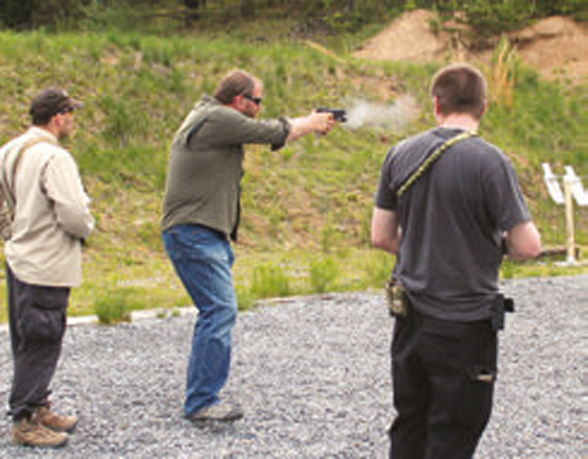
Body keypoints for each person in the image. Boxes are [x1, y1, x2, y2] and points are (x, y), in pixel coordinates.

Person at [370, 63, 541, 458]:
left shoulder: (399, 154)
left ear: (436, 104)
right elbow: (528, 246)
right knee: (455, 430)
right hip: (466, 322)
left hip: (409, 316)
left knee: (410, 420)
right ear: (484, 105)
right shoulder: (490, 162)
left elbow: (381, 236)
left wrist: (427, 247)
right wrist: (478, 247)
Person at [161, 69, 336, 422]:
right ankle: (201, 401)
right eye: (256, 101)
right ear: (239, 100)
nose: (259, 107)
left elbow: (276, 136)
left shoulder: (211, 116)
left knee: (217, 311)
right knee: (220, 310)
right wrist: (312, 122)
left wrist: (307, 125)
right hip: (195, 233)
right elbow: (273, 131)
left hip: (202, 233)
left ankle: (202, 395)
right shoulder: (217, 116)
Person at [0, 87, 94, 448]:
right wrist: (87, 228)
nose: (72, 120)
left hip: (20, 258)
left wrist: (10, 230)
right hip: (48, 262)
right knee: (42, 337)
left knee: (27, 335)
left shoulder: (12, 149)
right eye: (70, 114)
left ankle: (39, 404)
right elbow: (72, 211)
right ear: (58, 117)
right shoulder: (55, 158)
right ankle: (25, 418)